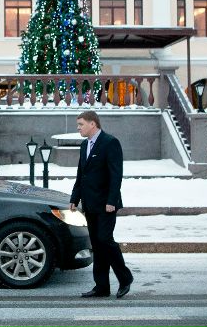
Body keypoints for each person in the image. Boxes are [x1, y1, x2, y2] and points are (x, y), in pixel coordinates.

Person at [69, 110, 134, 299]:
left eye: (81, 124)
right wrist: (75, 198)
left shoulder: (110, 142)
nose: (78, 128)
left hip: (106, 204)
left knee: (105, 240)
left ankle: (125, 277)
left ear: (93, 124)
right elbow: (82, 174)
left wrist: (111, 201)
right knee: (97, 245)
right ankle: (102, 287)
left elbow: (116, 175)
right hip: (90, 204)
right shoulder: (84, 145)